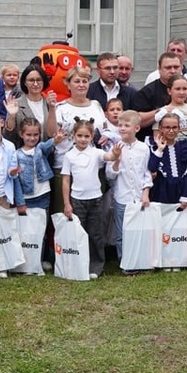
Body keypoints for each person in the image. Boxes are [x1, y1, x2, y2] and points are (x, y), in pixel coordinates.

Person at [60, 119, 116, 279]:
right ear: (73, 135)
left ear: (92, 137)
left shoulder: (96, 153)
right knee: (78, 233)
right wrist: (67, 204)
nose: (83, 139)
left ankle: (95, 267)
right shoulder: (69, 156)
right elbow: (66, 180)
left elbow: (109, 156)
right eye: (80, 136)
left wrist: (116, 153)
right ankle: (78, 265)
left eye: (86, 136)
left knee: (95, 233)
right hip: (77, 200)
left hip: (95, 199)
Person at [105, 110, 151, 267]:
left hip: (138, 197)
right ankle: (124, 261)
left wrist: (146, 193)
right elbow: (109, 175)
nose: (122, 128)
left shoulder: (143, 148)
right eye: (120, 125)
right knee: (121, 232)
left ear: (136, 128)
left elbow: (146, 173)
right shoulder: (115, 148)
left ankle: (139, 260)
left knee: (139, 230)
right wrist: (116, 160)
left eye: (126, 125)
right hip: (122, 197)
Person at [133, 52, 187, 140]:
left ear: (181, 68)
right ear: (159, 69)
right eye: (168, 67)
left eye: (176, 67)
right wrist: (160, 111)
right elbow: (136, 120)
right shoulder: (148, 92)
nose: (173, 71)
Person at [3, 65, 58, 144]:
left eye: (39, 80)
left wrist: (52, 108)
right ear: (24, 82)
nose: (35, 84)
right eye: (31, 80)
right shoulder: (16, 104)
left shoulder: (49, 103)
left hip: (46, 151)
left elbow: (53, 134)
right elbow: (8, 137)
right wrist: (11, 117)